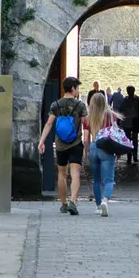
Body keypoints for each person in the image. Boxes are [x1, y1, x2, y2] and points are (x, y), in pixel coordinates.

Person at [38, 76, 88, 216]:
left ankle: (64, 204)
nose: (78, 91)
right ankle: (73, 201)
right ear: (72, 88)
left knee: (61, 174)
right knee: (75, 173)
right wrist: (89, 142)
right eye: (77, 88)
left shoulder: (56, 105)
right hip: (76, 143)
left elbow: (49, 124)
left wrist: (41, 141)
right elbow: (86, 125)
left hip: (60, 144)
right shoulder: (80, 105)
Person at [83, 93, 122, 217]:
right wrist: (118, 150)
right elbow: (115, 135)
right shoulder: (111, 116)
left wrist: (86, 151)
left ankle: (98, 205)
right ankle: (106, 200)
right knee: (109, 179)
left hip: (94, 146)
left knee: (97, 179)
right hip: (107, 148)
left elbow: (85, 139)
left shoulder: (88, 118)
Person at [120, 86, 139, 164]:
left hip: (130, 122)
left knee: (130, 140)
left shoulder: (126, 100)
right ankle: (134, 157)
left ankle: (130, 157)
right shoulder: (137, 99)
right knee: (134, 140)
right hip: (134, 122)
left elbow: (121, 110)